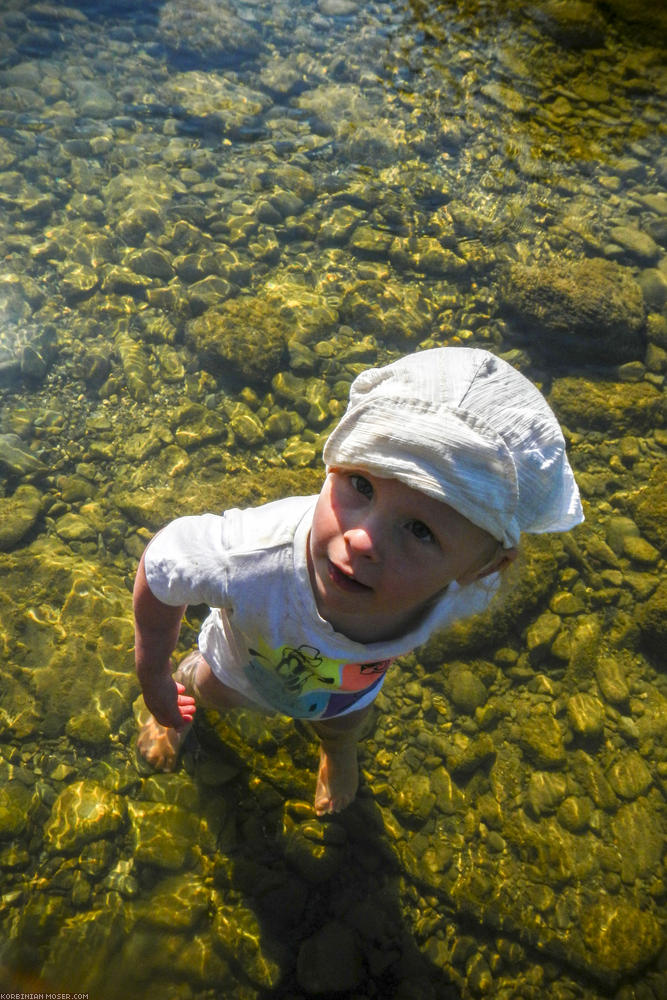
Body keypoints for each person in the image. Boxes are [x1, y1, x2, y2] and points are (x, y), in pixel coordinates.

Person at [134, 347, 583, 815]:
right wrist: (155, 677)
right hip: (237, 667)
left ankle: (336, 749)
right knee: (207, 690)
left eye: (419, 530)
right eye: (361, 486)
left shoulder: (461, 594)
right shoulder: (249, 559)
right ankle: (177, 715)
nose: (364, 538)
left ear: (481, 569)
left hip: (344, 691)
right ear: (333, 465)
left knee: (344, 722)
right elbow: (162, 564)